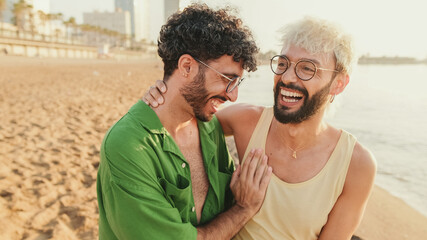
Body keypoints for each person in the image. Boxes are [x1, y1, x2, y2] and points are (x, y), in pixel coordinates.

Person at [144, 16, 377, 240]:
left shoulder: (356, 165)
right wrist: (163, 95)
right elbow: (184, 121)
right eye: (283, 64)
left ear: (338, 83)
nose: (286, 78)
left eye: (307, 69)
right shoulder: (246, 121)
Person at [97, 4, 273, 240]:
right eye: (227, 79)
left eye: (237, 83)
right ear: (187, 66)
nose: (233, 95)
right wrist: (244, 209)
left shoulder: (209, 125)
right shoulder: (127, 145)